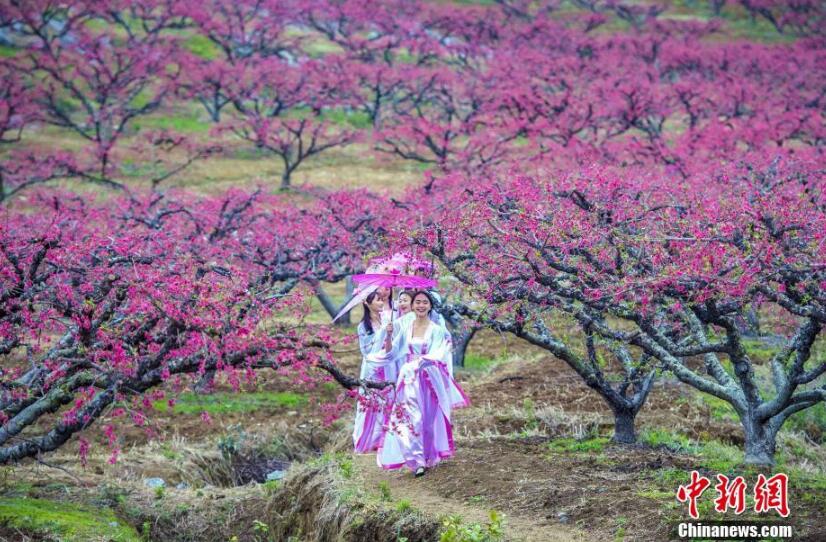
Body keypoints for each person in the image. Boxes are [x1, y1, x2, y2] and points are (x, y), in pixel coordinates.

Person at [369, 290, 470, 476]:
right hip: (409, 381)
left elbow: (437, 355)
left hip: (427, 380)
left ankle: (429, 455)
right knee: (410, 419)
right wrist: (389, 335)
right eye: (417, 303)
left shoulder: (437, 330)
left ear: (430, 305)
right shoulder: (405, 328)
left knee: (427, 422)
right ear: (413, 306)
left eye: (425, 302)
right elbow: (393, 352)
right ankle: (417, 461)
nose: (421, 306)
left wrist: (418, 363)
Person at [352, 291, 396, 454]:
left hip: (388, 365)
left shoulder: (387, 319)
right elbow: (367, 351)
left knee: (388, 399)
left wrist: (389, 334)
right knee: (372, 400)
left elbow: (391, 345)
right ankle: (370, 440)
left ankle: (387, 439)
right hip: (372, 368)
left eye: (382, 300)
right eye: (378, 300)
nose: (381, 303)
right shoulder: (363, 326)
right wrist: (383, 333)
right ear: (367, 302)